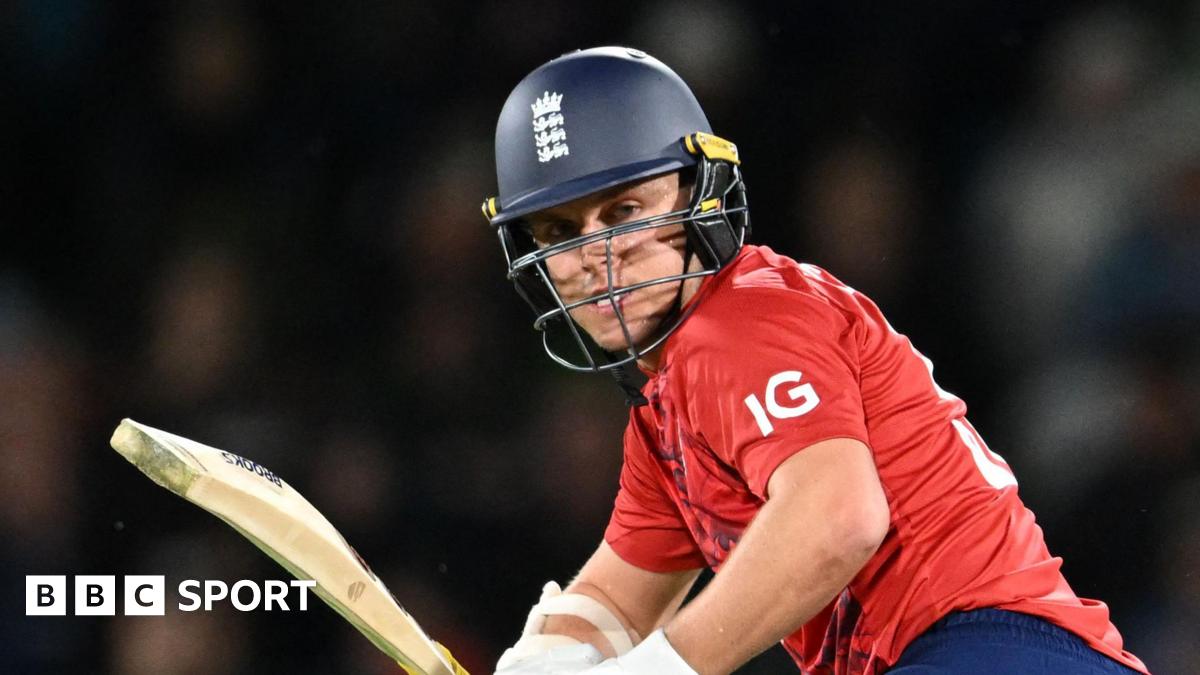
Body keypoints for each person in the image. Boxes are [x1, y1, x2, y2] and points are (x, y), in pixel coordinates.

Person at [479, 46, 1150, 675]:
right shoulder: (669, 410)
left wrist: (661, 667)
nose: (594, 255)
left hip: (986, 645)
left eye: (623, 209)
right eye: (560, 230)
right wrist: (540, 655)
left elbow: (837, 519)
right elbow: (615, 603)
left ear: (701, 194)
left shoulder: (737, 323)